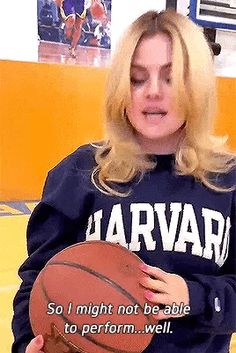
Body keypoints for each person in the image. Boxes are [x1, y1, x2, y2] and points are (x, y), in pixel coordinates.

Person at [12, 9, 236, 353]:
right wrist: (30, 342)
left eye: (171, 77)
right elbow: (37, 283)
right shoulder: (78, 174)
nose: (153, 92)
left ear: (198, 85)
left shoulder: (228, 180)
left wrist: (193, 296)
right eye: (136, 78)